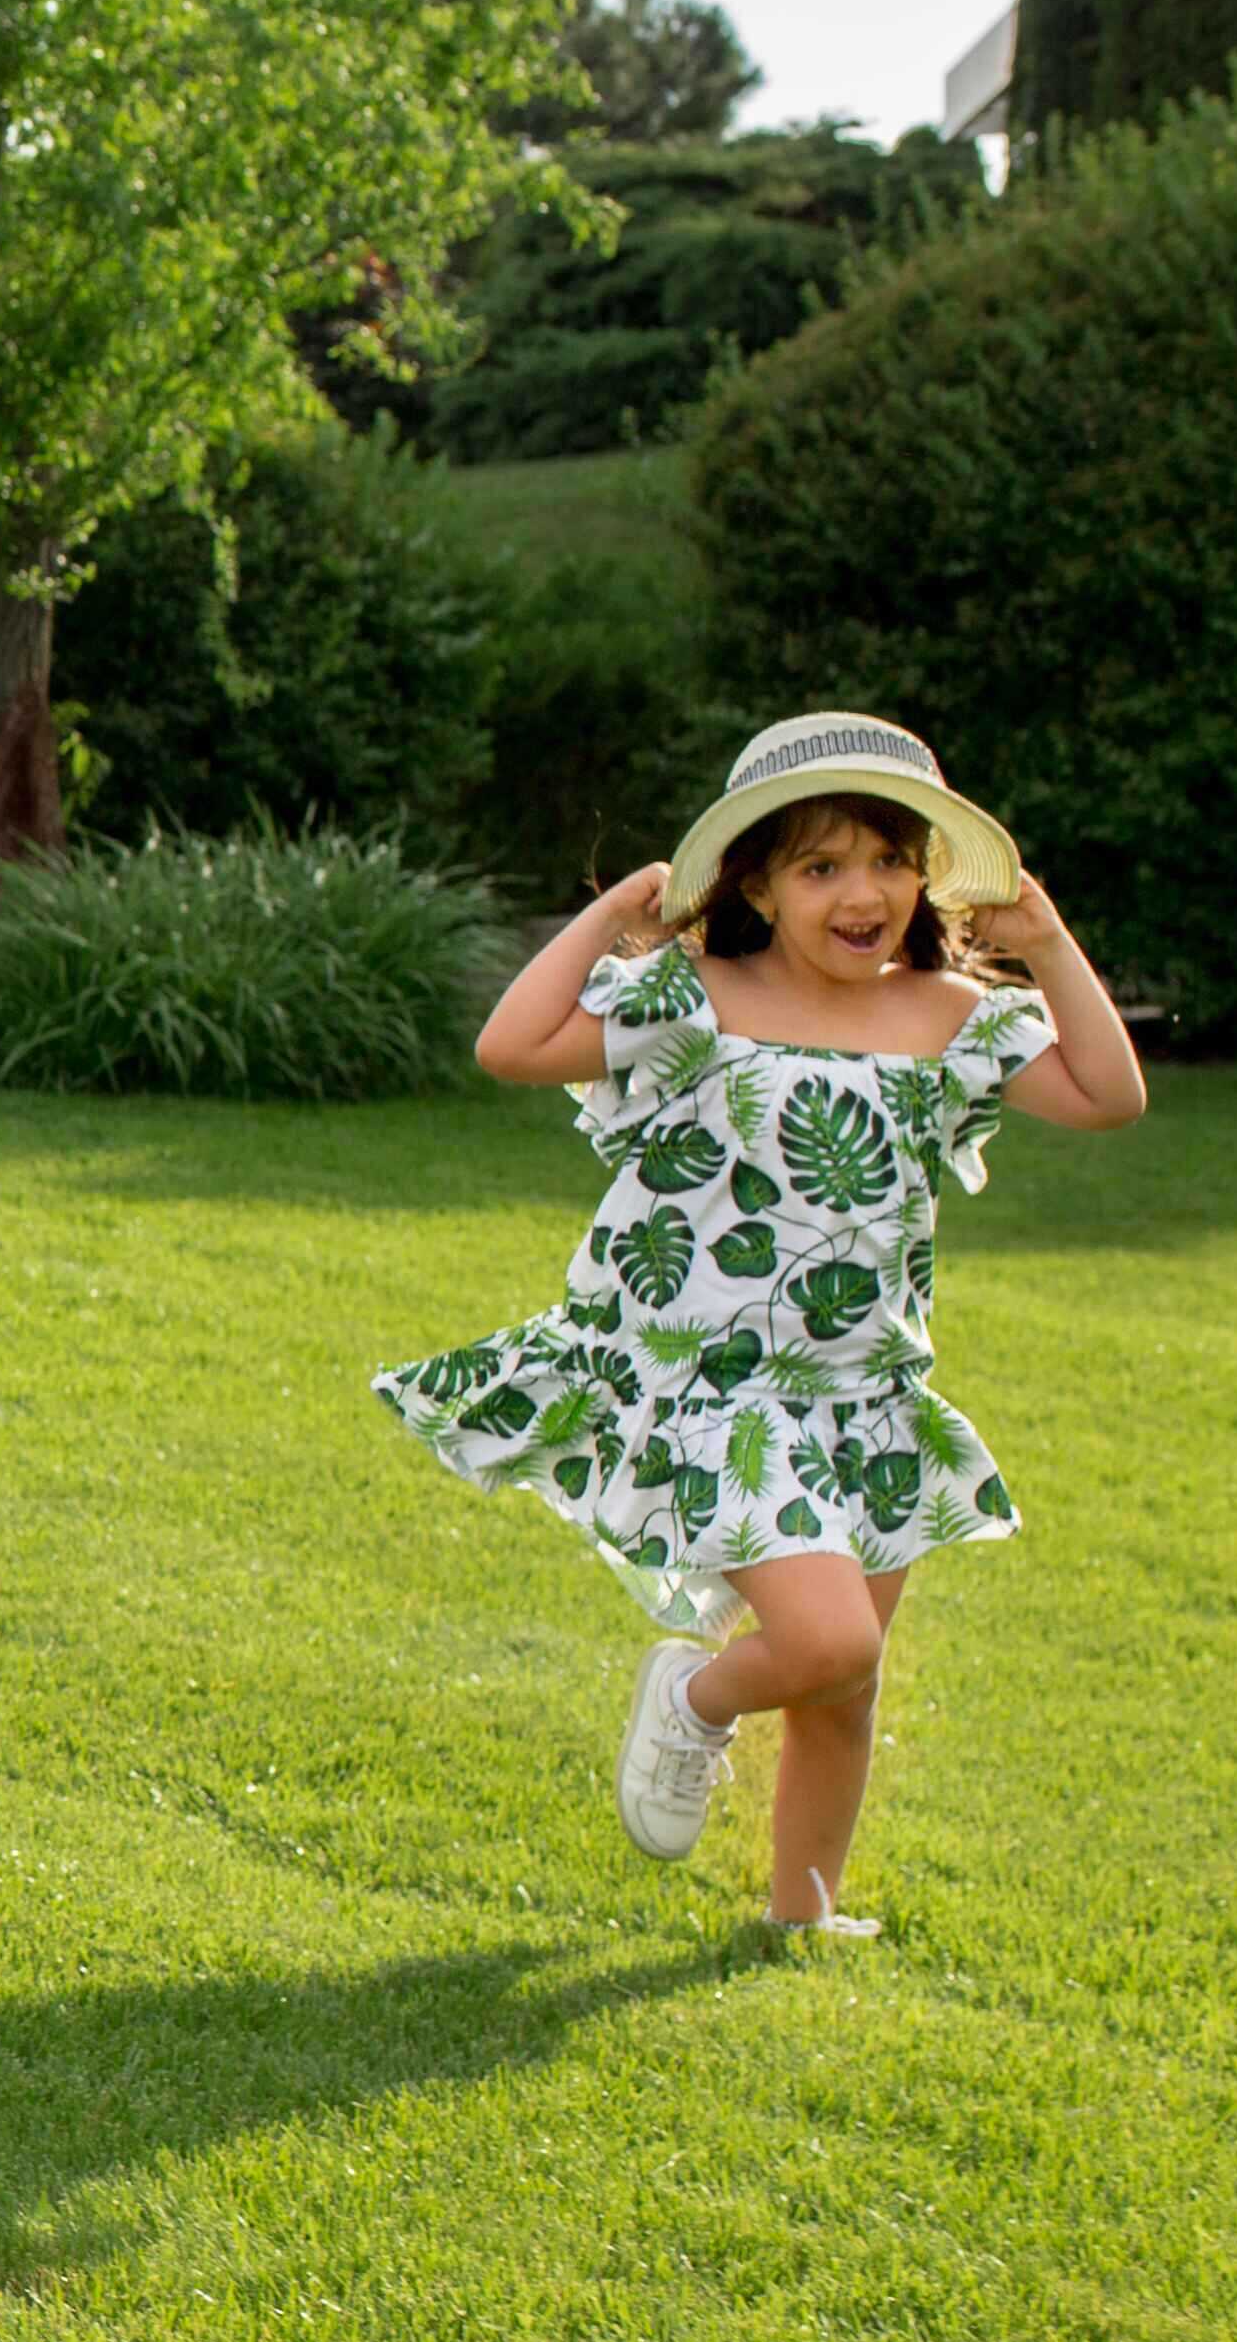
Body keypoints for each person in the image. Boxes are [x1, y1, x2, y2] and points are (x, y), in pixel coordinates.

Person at [377, 714, 1145, 1933]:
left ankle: (802, 1916)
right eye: (820, 866)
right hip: (720, 1393)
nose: (865, 892)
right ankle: (694, 1698)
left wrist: (1045, 942)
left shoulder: (947, 1013)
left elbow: (1108, 1095)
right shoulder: (697, 997)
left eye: (889, 861)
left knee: (844, 1685)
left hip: (866, 1391)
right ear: (755, 884)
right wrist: (613, 918)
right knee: (824, 1636)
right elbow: (508, 1044)